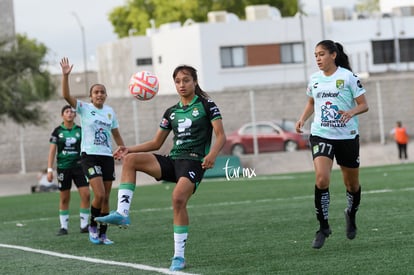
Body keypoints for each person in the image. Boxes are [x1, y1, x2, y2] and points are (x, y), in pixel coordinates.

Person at [96, 65, 226, 271]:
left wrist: (211, 155)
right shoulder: (171, 112)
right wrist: (128, 149)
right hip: (173, 160)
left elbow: (221, 135)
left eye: (186, 80)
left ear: (195, 82)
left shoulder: (207, 105)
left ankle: (179, 257)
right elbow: (156, 142)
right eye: (178, 81)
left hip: (193, 162)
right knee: (131, 160)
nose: (182, 85)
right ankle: (122, 212)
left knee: (177, 199)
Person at [295, 40, 369, 249]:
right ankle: (323, 227)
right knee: (321, 179)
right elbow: (311, 102)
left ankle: (350, 213)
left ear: (333, 55)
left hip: (347, 137)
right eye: (315, 55)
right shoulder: (315, 79)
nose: (317, 59)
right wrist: (303, 119)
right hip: (321, 135)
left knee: (352, 185)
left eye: (321, 54)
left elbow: (364, 105)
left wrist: (351, 112)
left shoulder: (348, 77)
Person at [60, 57, 125, 245]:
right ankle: (92, 226)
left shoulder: (110, 112)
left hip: (107, 157)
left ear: (105, 95)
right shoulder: (84, 108)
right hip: (89, 156)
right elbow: (66, 96)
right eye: (96, 92)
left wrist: (123, 150)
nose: (99, 94)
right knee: (100, 195)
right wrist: (66, 76)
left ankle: (103, 234)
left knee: (106, 198)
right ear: (91, 96)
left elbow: (116, 134)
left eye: (102, 92)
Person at [47, 105, 90, 236]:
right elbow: (52, 151)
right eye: (66, 111)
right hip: (63, 168)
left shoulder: (80, 130)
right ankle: (63, 227)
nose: (70, 113)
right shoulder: (57, 131)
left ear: (75, 115)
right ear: (62, 115)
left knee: (86, 195)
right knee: (65, 198)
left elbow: (87, 147)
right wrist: (50, 169)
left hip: (79, 167)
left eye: (72, 112)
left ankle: (84, 225)